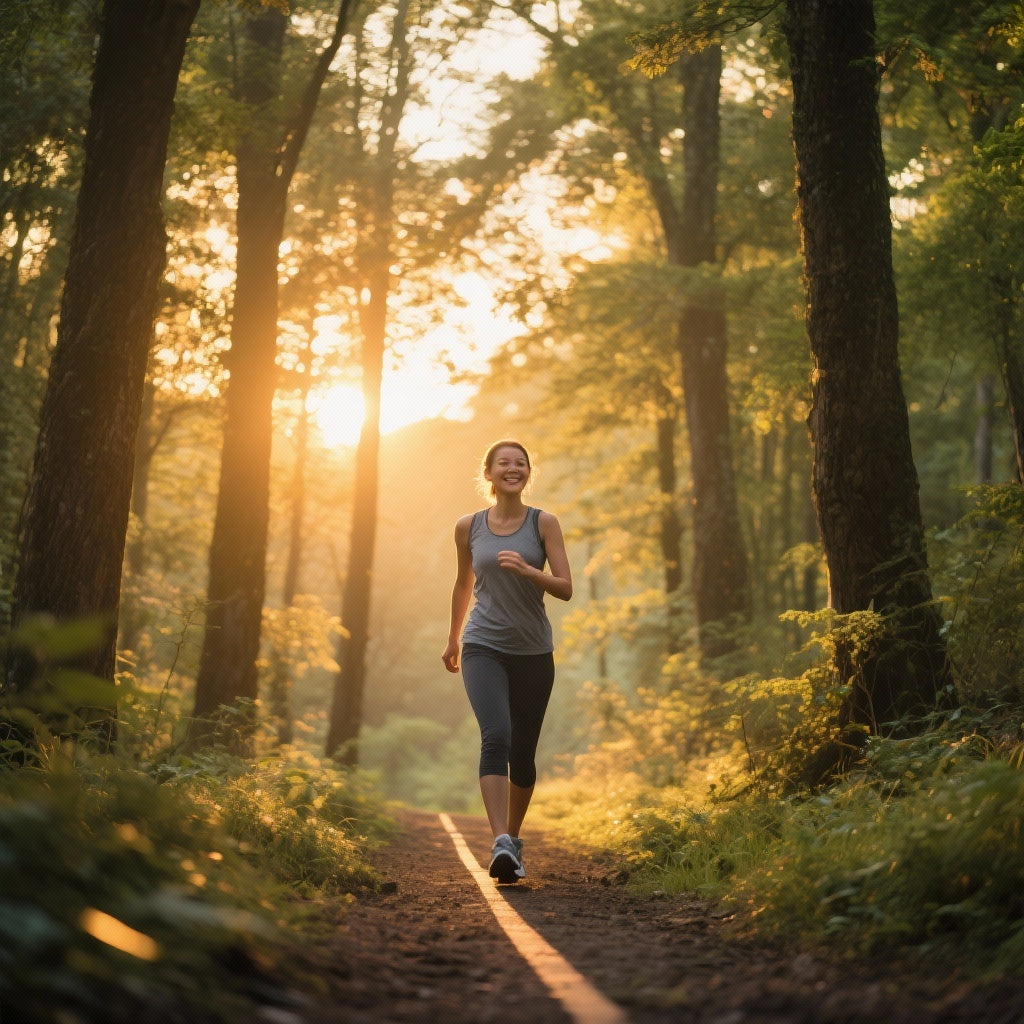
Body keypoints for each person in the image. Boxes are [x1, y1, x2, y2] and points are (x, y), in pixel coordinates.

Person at [442, 439, 572, 884]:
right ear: (490, 473)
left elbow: (565, 586)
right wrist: (453, 638)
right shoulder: (468, 526)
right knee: (495, 734)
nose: (512, 469)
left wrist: (529, 571)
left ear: (527, 473)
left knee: (524, 752)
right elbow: (463, 584)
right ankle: (499, 839)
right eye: (504, 463)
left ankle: (512, 841)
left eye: (520, 463)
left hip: (534, 650)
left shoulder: (543, 523)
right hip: (483, 646)